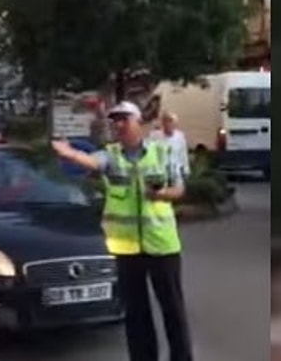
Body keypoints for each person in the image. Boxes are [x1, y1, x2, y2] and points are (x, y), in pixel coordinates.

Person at [51, 101, 193, 361]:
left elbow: (180, 189)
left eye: (124, 119)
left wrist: (163, 194)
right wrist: (70, 153)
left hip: (163, 245)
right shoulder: (111, 155)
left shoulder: (161, 152)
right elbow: (91, 162)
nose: (119, 125)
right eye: (115, 121)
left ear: (138, 122)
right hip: (127, 249)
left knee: (173, 309)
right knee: (136, 313)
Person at [150, 111, 191, 179]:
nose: (171, 125)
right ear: (163, 123)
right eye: (168, 122)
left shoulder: (180, 136)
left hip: (176, 173)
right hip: (159, 173)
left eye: (173, 123)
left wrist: (186, 171)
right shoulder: (154, 136)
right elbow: (150, 155)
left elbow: (183, 155)